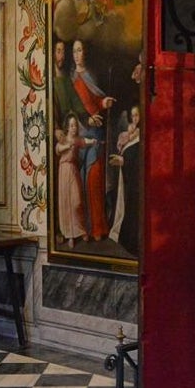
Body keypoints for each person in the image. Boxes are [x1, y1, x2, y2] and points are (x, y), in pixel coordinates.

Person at [69, 39, 115, 241]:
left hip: (96, 134)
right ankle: (82, 229)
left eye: (81, 50)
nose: (78, 54)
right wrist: (86, 118)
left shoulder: (90, 76)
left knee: (94, 181)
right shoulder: (70, 80)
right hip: (79, 133)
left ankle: (98, 227)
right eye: (75, 51)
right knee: (78, 183)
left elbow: (96, 100)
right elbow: (70, 109)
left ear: (85, 53)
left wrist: (104, 102)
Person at [108, 104, 140, 256]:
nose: (135, 119)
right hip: (127, 178)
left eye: (137, 115)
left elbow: (138, 158)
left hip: (136, 182)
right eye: (132, 116)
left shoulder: (142, 134)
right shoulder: (129, 133)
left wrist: (123, 160)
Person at [54, 112, 88, 248]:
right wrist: (67, 146)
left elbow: (85, 142)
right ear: (67, 127)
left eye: (75, 125)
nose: (74, 128)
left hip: (73, 171)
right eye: (72, 125)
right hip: (63, 171)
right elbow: (58, 149)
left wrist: (94, 141)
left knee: (77, 201)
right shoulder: (63, 140)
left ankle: (80, 229)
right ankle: (70, 235)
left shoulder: (77, 139)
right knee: (65, 204)